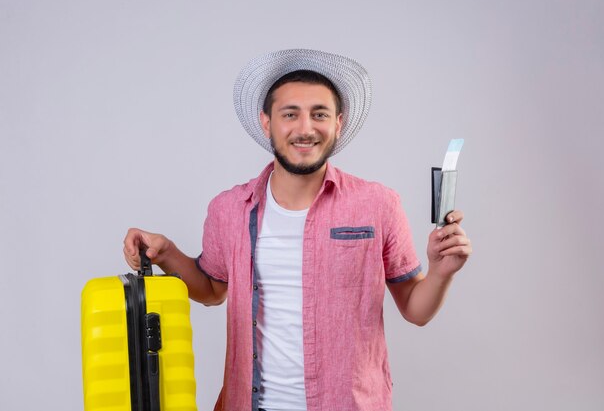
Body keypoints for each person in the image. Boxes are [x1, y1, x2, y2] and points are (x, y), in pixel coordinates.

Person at [123, 49, 472, 411]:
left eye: (319, 114)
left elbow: (416, 309)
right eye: (290, 114)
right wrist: (165, 252)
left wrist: (440, 272)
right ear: (267, 122)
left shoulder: (378, 205)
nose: (305, 129)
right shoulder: (229, 209)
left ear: (338, 123)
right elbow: (212, 290)